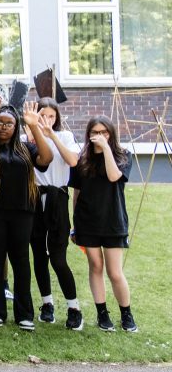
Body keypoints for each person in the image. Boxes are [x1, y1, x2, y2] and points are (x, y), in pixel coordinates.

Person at [0, 96, 53, 331]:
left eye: (9, 124)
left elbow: (46, 159)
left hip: (22, 212)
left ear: (16, 127)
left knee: (21, 260)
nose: (3, 127)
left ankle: (25, 313)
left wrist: (34, 126)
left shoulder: (26, 148)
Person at [68, 115, 137, 333]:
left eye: (104, 132)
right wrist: (74, 224)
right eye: (95, 132)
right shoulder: (82, 159)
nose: (100, 136)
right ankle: (102, 314)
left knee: (115, 272)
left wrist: (106, 149)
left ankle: (126, 314)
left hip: (113, 221)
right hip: (87, 221)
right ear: (89, 135)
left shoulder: (123, 155)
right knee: (95, 267)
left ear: (111, 133)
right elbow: (76, 193)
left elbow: (114, 176)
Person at [29, 98, 83, 330]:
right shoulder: (26, 139)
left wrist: (51, 136)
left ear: (57, 118)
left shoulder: (65, 137)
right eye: (43, 115)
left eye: (51, 116)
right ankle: (47, 304)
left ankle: (74, 307)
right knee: (39, 255)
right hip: (34, 199)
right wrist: (33, 132)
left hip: (58, 198)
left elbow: (72, 161)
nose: (47, 120)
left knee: (58, 258)